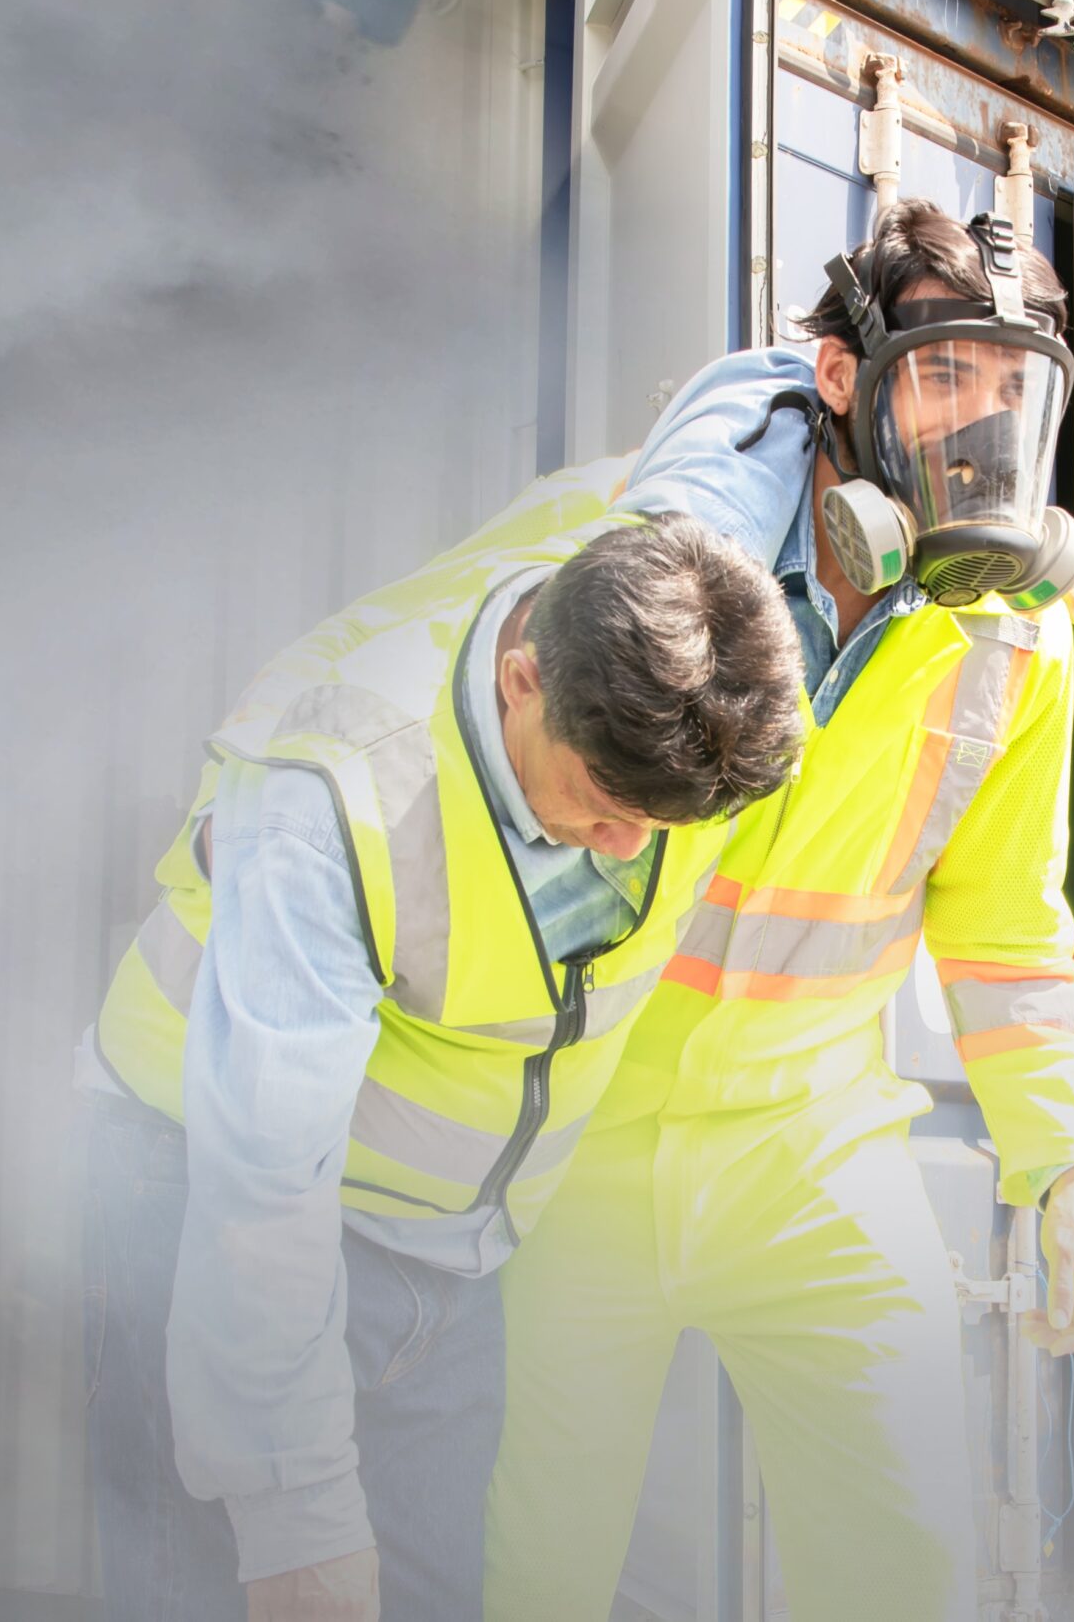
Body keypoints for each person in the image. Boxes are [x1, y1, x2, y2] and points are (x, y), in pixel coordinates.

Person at [485, 200, 1074, 1621]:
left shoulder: (1021, 629)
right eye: (946, 371)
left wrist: (1065, 1162)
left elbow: (1008, 926)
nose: (982, 423)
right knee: (537, 1565)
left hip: (817, 1148)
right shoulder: (662, 573)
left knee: (909, 1560)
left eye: (1015, 385)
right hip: (585, 1138)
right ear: (842, 377)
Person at [77, 479, 805, 1622]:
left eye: (666, 826)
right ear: (525, 681)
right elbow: (262, 1195)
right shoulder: (335, 787)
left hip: (445, 1246)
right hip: (202, 1180)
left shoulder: (667, 613)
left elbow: (743, 440)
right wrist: (294, 1518)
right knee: (253, 1585)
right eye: (606, 804)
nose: (628, 848)